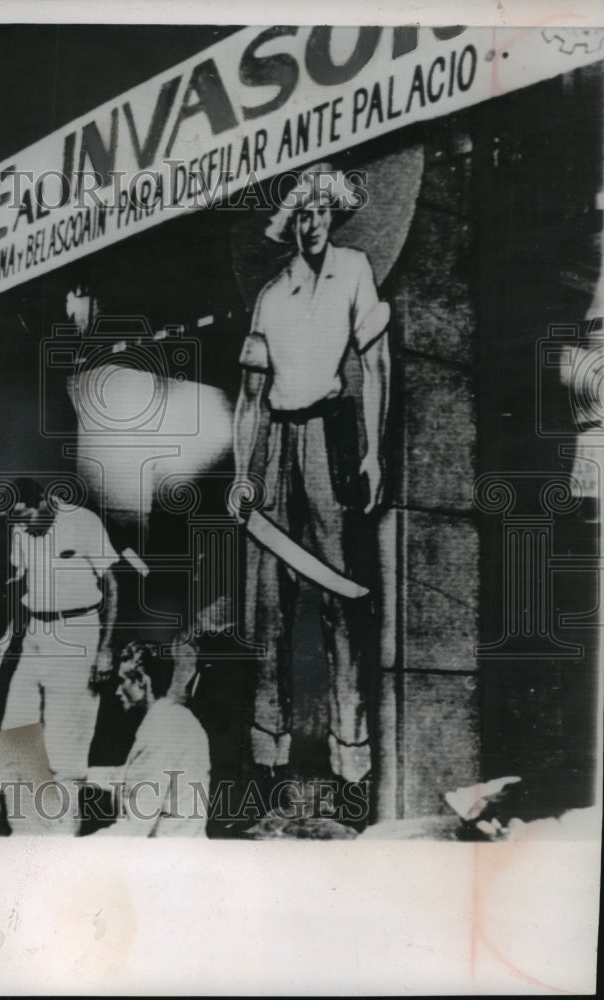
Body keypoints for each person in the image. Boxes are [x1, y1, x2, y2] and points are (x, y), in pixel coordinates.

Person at [229, 163, 391, 784]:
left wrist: (374, 452)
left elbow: (373, 366)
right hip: (276, 448)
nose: (314, 221)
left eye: (323, 211)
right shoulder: (272, 296)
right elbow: (250, 397)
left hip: (331, 436)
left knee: (339, 595)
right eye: (303, 212)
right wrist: (244, 471)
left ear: (335, 215)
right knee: (269, 601)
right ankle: (268, 748)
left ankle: (351, 755)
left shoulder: (353, 271)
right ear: (291, 222)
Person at [0, 477, 118, 834]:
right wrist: (11, 632)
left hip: (77, 633)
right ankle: (26, 831)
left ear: (45, 501)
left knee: (65, 746)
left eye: (23, 515)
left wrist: (106, 648)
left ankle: (62, 837)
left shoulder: (83, 522)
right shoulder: (21, 532)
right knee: (13, 733)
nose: (20, 524)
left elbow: (113, 585)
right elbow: (22, 582)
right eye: (13, 519)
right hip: (36, 633)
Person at [91, 641, 211, 837]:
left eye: (122, 682)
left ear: (142, 681)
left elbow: (135, 827)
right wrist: (89, 778)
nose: (117, 692)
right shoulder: (182, 719)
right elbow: (145, 774)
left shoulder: (158, 733)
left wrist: (73, 850)